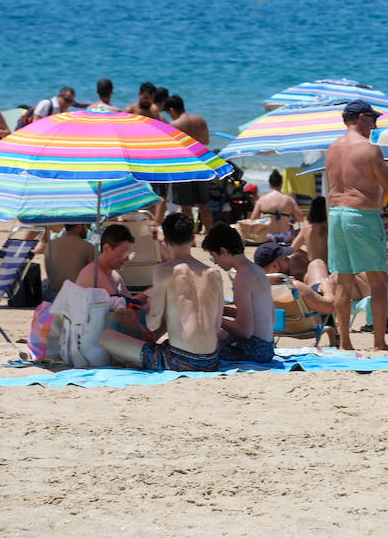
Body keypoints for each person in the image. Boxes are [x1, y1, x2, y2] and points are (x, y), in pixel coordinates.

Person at [324, 99, 388, 351]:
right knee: (377, 280)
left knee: (343, 280)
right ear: (361, 117)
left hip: (336, 215)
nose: (375, 124)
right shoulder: (369, 148)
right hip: (361, 216)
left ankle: (346, 343)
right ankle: (379, 342)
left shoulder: (332, 148)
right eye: (373, 119)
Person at [99, 213, 225, 372]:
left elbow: (153, 323)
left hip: (179, 360)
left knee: (106, 337)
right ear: (193, 238)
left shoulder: (165, 270)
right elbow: (217, 327)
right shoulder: (214, 273)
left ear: (165, 242)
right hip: (212, 360)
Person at [202, 224, 275, 364]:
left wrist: (214, 318)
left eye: (213, 256)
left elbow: (245, 331)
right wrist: (222, 311)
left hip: (254, 351)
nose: (215, 263)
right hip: (267, 348)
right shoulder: (257, 271)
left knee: (202, 342)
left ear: (223, 251)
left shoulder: (242, 277)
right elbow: (270, 317)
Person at [163, 95, 214, 232]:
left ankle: (191, 238)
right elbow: (206, 141)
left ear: (172, 110)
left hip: (183, 168)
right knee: (204, 205)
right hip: (200, 164)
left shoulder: (174, 125)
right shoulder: (200, 120)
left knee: (186, 207)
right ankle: (210, 233)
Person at [74, 223, 137, 300]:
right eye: (124, 253)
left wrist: (150, 293)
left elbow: (131, 302)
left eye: (129, 254)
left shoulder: (113, 274)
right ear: (106, 248)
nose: (127, 259)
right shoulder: (94, 273)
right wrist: (149, 293)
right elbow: (119, 305)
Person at [250, 169, 304, 242]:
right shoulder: (289, 200)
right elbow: (300, 218)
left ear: (269, 184)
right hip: (286, 236)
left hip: (268, 236)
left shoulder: (262, 200)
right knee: (298, 230)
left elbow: (253, 219)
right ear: (281, 184)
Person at [45, 224, 95, 296]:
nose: (87, 230)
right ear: (79, 226)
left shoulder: (49, 245)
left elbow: (49, 273)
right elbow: (94, 274)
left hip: (53, 296)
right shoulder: (88, 247)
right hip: (77, 296)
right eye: (85, 226)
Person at [292, 195, 328, 265]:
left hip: (314, 266)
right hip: (330, 266)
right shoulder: (330, 227)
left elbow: (292, 249)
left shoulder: (306, 229)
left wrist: (307, 254)